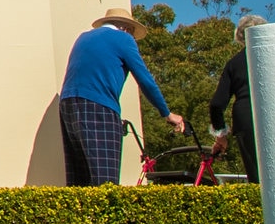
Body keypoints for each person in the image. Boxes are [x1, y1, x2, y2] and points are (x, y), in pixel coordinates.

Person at [58, 12, 184, 186]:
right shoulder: (122, 39)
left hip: (68, 103)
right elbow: (145, 80)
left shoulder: (83, 38)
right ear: (125, 28)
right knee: (105, 179)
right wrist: (167, 113)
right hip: (99, 104)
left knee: (79, 178)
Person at [208, 15, 265, 184]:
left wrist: (221, 135)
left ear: (239, 36)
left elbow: (217, 104)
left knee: (257, 177)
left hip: (246, 118)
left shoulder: (235, 63)